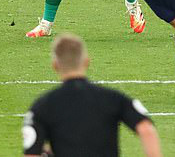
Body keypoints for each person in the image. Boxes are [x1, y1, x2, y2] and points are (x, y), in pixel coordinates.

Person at [22, 33, 161, 156]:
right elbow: (146, 129)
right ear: (87, 62)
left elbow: (32, 153)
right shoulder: (113, 98)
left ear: (55, 65)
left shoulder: (42, 106)